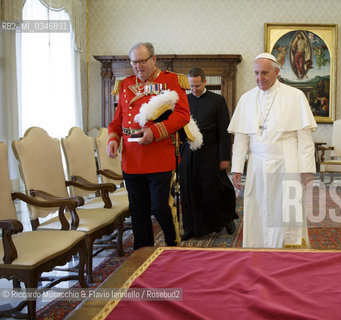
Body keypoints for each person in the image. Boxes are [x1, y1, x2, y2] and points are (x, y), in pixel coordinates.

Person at [228, 53, 317, 248]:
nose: (260, 78)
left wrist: (307, 171)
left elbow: (305, 139)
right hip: (257, 165)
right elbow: (241, 139)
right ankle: (257, 248)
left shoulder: (295, 96)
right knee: (258, 208)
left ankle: (288, 252)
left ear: (277, 72)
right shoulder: (247, 99)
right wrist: (236, 168)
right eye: (257, 73)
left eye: (265, 73)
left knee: (287, 211)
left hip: (287, 162)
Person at [107, 42, 190, 249]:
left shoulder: (170, 80)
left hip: (159, 156)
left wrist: (155, 131)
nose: (138, 66)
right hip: (132, 159)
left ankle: (172, 245)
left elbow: (182, 115)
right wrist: (113, 139)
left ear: (153, 59)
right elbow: (117, 121)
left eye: (143, 61)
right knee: (138, 209)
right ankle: (143, 252)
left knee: (160, 207)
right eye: (134, 62)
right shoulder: (125, 84)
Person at [179, 68, 238, 240]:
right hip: (189, 153)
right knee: (189, 190)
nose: (194, 89)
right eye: (191, 86)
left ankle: (225, 219)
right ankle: (190, 227)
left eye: (197, 85)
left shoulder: (218, 100)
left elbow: (224, 131)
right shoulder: (184, 100)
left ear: (205, 82)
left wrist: (225, 157)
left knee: (215, 190)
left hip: (211, 152)